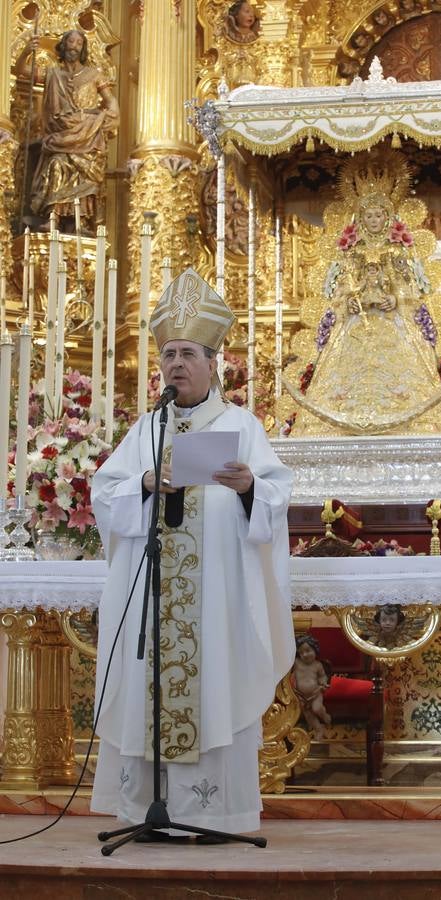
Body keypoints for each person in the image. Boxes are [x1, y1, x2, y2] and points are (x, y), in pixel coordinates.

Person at [91, 267, 295, 839]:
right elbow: (106, 495)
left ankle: (213, 813)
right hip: (152, 602)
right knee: (149, 686)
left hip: (217, 606)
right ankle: (148, 813)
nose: (175, 364)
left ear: (214, 363)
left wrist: (248, 487)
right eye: (169, 354)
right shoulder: (147, 430)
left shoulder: (240, 425)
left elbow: (277, 495)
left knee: (214, 689)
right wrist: (146, 484)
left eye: (188, 354)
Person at [282, 151, 441, 436]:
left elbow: (412, 290)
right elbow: (338, 291)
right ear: (360, 219)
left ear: (388, 218)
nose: (374, 220)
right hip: (354, 327)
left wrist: (396, 299)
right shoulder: (351, 254)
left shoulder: (398, 251)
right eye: (369, 215)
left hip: (395, 326)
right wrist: (350, 301)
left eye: (379, 215)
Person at [15, 29, 119, 231]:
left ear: (83, 49)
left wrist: (114, 110)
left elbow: (109, 99)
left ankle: (81, 221)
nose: (74, 46)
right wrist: (26, 51)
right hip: (60, 135)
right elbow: (22, 71)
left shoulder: (94, 75)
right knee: (56, 164)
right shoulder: (53, 73)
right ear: (63, 45)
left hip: (87, 133)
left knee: (86, 174)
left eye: (79, 43)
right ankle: (53, 217)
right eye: (71, 41)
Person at [292, 635, 331, 739]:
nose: (305, 654)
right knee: (308, 714)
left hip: (315, 694)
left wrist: (323, 684)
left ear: (315, 649)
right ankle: (318, 729)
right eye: (301, 652)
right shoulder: (296, 663)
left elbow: (322, 676)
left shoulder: (317, 665)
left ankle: (324, 716)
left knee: (317, 708)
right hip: (301, 696)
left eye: (308, 650)